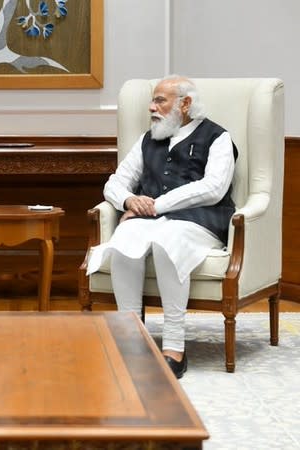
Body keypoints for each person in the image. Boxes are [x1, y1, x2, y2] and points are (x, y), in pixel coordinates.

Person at [86, 75, 237, 379]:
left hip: (200, 222)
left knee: (169, 242)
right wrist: (129, 200)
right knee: (124, 239)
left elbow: (213, 188)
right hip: (148, 219)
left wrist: (156, 205)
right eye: (152, 100)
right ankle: (130, 338)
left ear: (185, 104)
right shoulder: (148, 139)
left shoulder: (217, 137)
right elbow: (115, 182)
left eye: (160, 101)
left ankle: (174, 348)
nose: (151, 107)